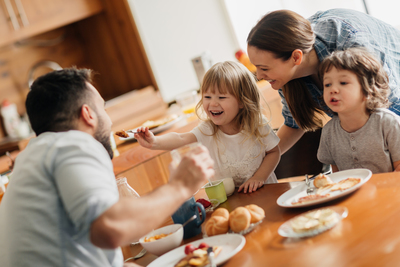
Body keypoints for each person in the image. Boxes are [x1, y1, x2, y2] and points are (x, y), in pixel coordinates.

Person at [0, 68, 215, 267]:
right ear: (88, 114)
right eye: (102, 107)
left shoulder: (30, 161)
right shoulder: (71, 144)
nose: (109, 120)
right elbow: (111, 228)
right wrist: (179, 187)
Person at [247, 8, 400, 155]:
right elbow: (293, 124)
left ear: (295, 57)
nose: (259, 75)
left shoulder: (351, 46)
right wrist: (259, 162)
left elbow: (390, 108)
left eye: (264, 68)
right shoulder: (286, 74)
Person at [135, 61, 280, 194]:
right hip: (229, 201)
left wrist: (259, 177)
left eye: (221, 97)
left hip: (265, 192)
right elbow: (181, 138)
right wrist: (154, 142)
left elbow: (274, 152)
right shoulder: (208, 130)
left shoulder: (257, 124)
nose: (213, 104)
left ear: (242, 101)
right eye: (207, 97)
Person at [317, 48, 400, 173]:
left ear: (368, 89)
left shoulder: (389, 123)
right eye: (327, 84)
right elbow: (336, 175)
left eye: (343, 82)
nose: (333, 89)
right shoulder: (329, 132)